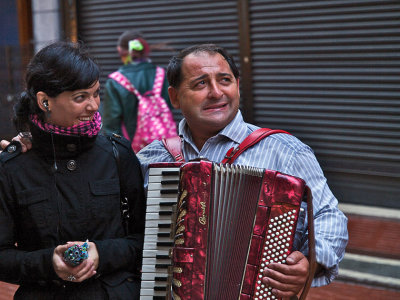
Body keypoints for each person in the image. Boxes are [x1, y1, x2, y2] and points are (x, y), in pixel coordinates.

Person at [137, 44, 348, 299]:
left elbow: (328, 216)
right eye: (200, 84)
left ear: (237, 84)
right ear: (175, 96)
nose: (216, 92)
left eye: (224, 80)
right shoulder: (153, 159)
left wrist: (308, 262)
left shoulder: (287, 151)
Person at [0, 41, 145, 299]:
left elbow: (146, 239)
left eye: (96, 93)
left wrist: (103, 253)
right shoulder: (12, 166)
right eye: (81, 97)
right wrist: (48, 263)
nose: (94, 105)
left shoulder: (117, 154)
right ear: (45, 101)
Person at [102, 30, 176, 151]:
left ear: (121, 51)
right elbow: (172, 105)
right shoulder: (161, 75)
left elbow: (111, 124)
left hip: (133, 152)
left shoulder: (115, 81)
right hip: (165, 148)